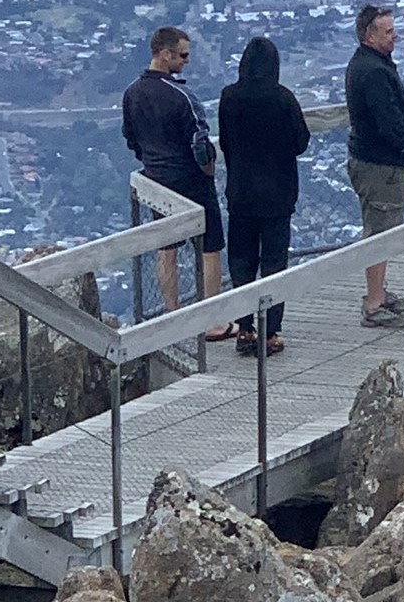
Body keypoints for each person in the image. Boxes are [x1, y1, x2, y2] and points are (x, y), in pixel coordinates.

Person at [121, 26, 229, 337]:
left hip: (156, 179)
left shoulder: (131, 94)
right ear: (165, 54)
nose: (186, 61)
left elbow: (130, 137)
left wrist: (150, 160)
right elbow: (200, 144)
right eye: (182, 55)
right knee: (209, 246)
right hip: (191, 179)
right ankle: (212, 321)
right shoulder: (182, 96)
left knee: (166, 247)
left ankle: (172, 317)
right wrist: (207, 170)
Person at [218, 36, 310, 358]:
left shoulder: (229, 97)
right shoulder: (283, 99)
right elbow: (301, 142)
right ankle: (270, 333)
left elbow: (225, 142)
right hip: (277, 195)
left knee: (242, 262)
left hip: (241, 192)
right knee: (274, 263)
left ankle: (244, 328)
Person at [344, 4, 404, 328]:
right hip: (380, 165)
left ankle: (377, 292)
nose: (394, 36)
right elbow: (387, 121)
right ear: (369, 35)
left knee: (379, 227)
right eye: (388, 32)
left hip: (374, 162)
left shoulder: (367, 64)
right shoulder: (373, 72)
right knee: (380, 233)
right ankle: (374, 304)